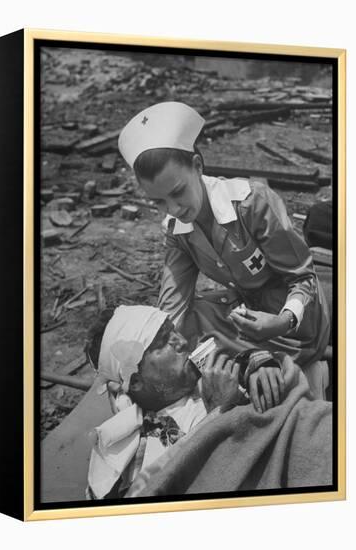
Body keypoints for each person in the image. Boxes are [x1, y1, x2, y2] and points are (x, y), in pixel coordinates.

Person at [118, 102, 330, 398]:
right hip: (248, 316)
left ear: (198, 166)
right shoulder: (178, 232)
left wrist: (281, 321)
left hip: (296, 324)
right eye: (159, 202)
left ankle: (278, 364)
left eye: (178, 192)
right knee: (189, 319)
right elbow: (173, 307)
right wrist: (138, 361)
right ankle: (253, 360)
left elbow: (302, 278)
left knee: (207, 349)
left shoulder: (253, 203)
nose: (174, 209)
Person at [86, 305, 287, 499]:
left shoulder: (212, 377)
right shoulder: (140, 455)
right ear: (137, 382)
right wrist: (218, 416)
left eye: (174, 331)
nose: (182, 342)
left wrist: (259, 361)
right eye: (165, 342)